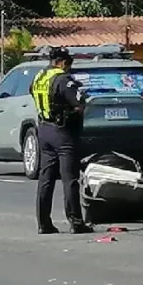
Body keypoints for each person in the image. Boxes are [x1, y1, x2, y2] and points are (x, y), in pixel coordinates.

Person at [30, 46, 94, 234]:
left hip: (44, 129)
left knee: (46, 178)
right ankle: (76, 222)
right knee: (70, 179)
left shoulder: (40, 77)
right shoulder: (63, 79)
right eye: (69, 64)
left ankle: (43, 223)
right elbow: (79, 103)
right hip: (62, 132)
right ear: (63, 62)